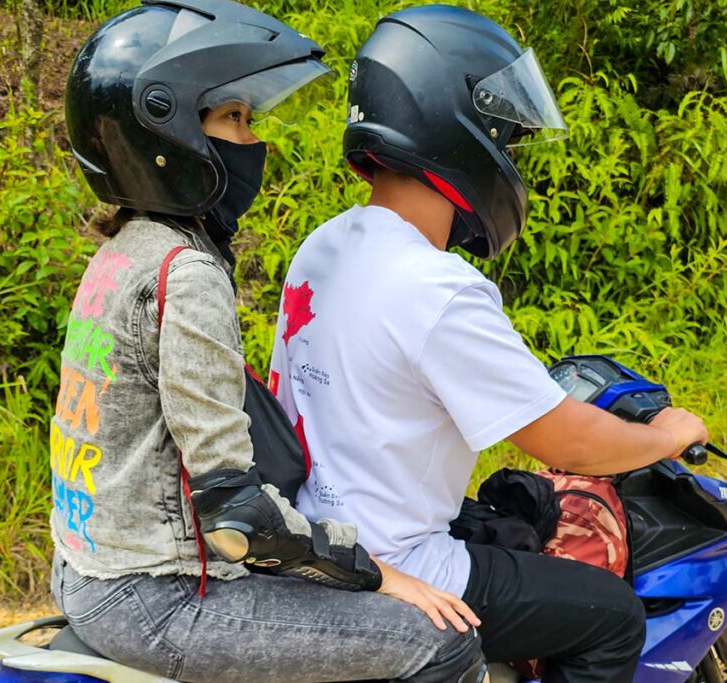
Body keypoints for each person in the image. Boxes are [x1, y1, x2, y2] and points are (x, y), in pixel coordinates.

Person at [270, 6, 710, 683]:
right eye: (504, 136)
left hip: (321, 538)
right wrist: (665, 436)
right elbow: (570, 444)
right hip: (403, 560)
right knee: (612, 614)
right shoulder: (435, 286)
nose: (507, 155)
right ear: (456, 129)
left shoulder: (324, 244)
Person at [48, 2, 487, 681]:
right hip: (157, 596)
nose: (251, 141)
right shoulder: (184, 274)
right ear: (169, 133)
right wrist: (376, 574)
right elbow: (238, 516)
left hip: (85, 568)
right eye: (233, 119)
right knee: (440, 640)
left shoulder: (123, 255)